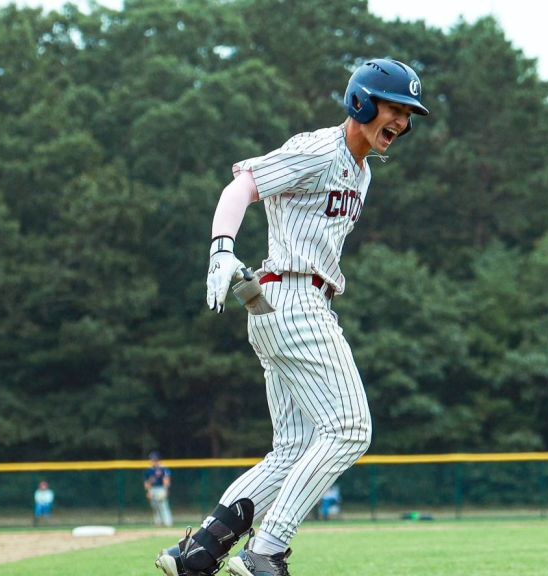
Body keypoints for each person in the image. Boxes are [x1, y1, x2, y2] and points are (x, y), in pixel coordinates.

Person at [155, 58, 429, 576]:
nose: (403, 123)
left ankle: (200, 552)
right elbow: (241, 187)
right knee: (350, 429)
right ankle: (266, 551)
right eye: (395, 108)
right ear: (362, 102)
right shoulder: (319, 148)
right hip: (294, 299)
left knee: (294, 449)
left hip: (286, 304)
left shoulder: (362, 170)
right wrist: (220, 250)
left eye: (408, 114)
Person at [145, 451, 174, 528]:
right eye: (151, 459)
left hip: (161, 488)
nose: (152, 461)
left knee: (163, 506)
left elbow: (166, 480)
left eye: (153, 459)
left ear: (157, 460)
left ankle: (168, 523)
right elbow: (147, 482)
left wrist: (166, 490)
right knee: (155, 507)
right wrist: (148, 492)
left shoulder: (163, 468)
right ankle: (158, 523)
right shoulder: (149, 470)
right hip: (153, 489)